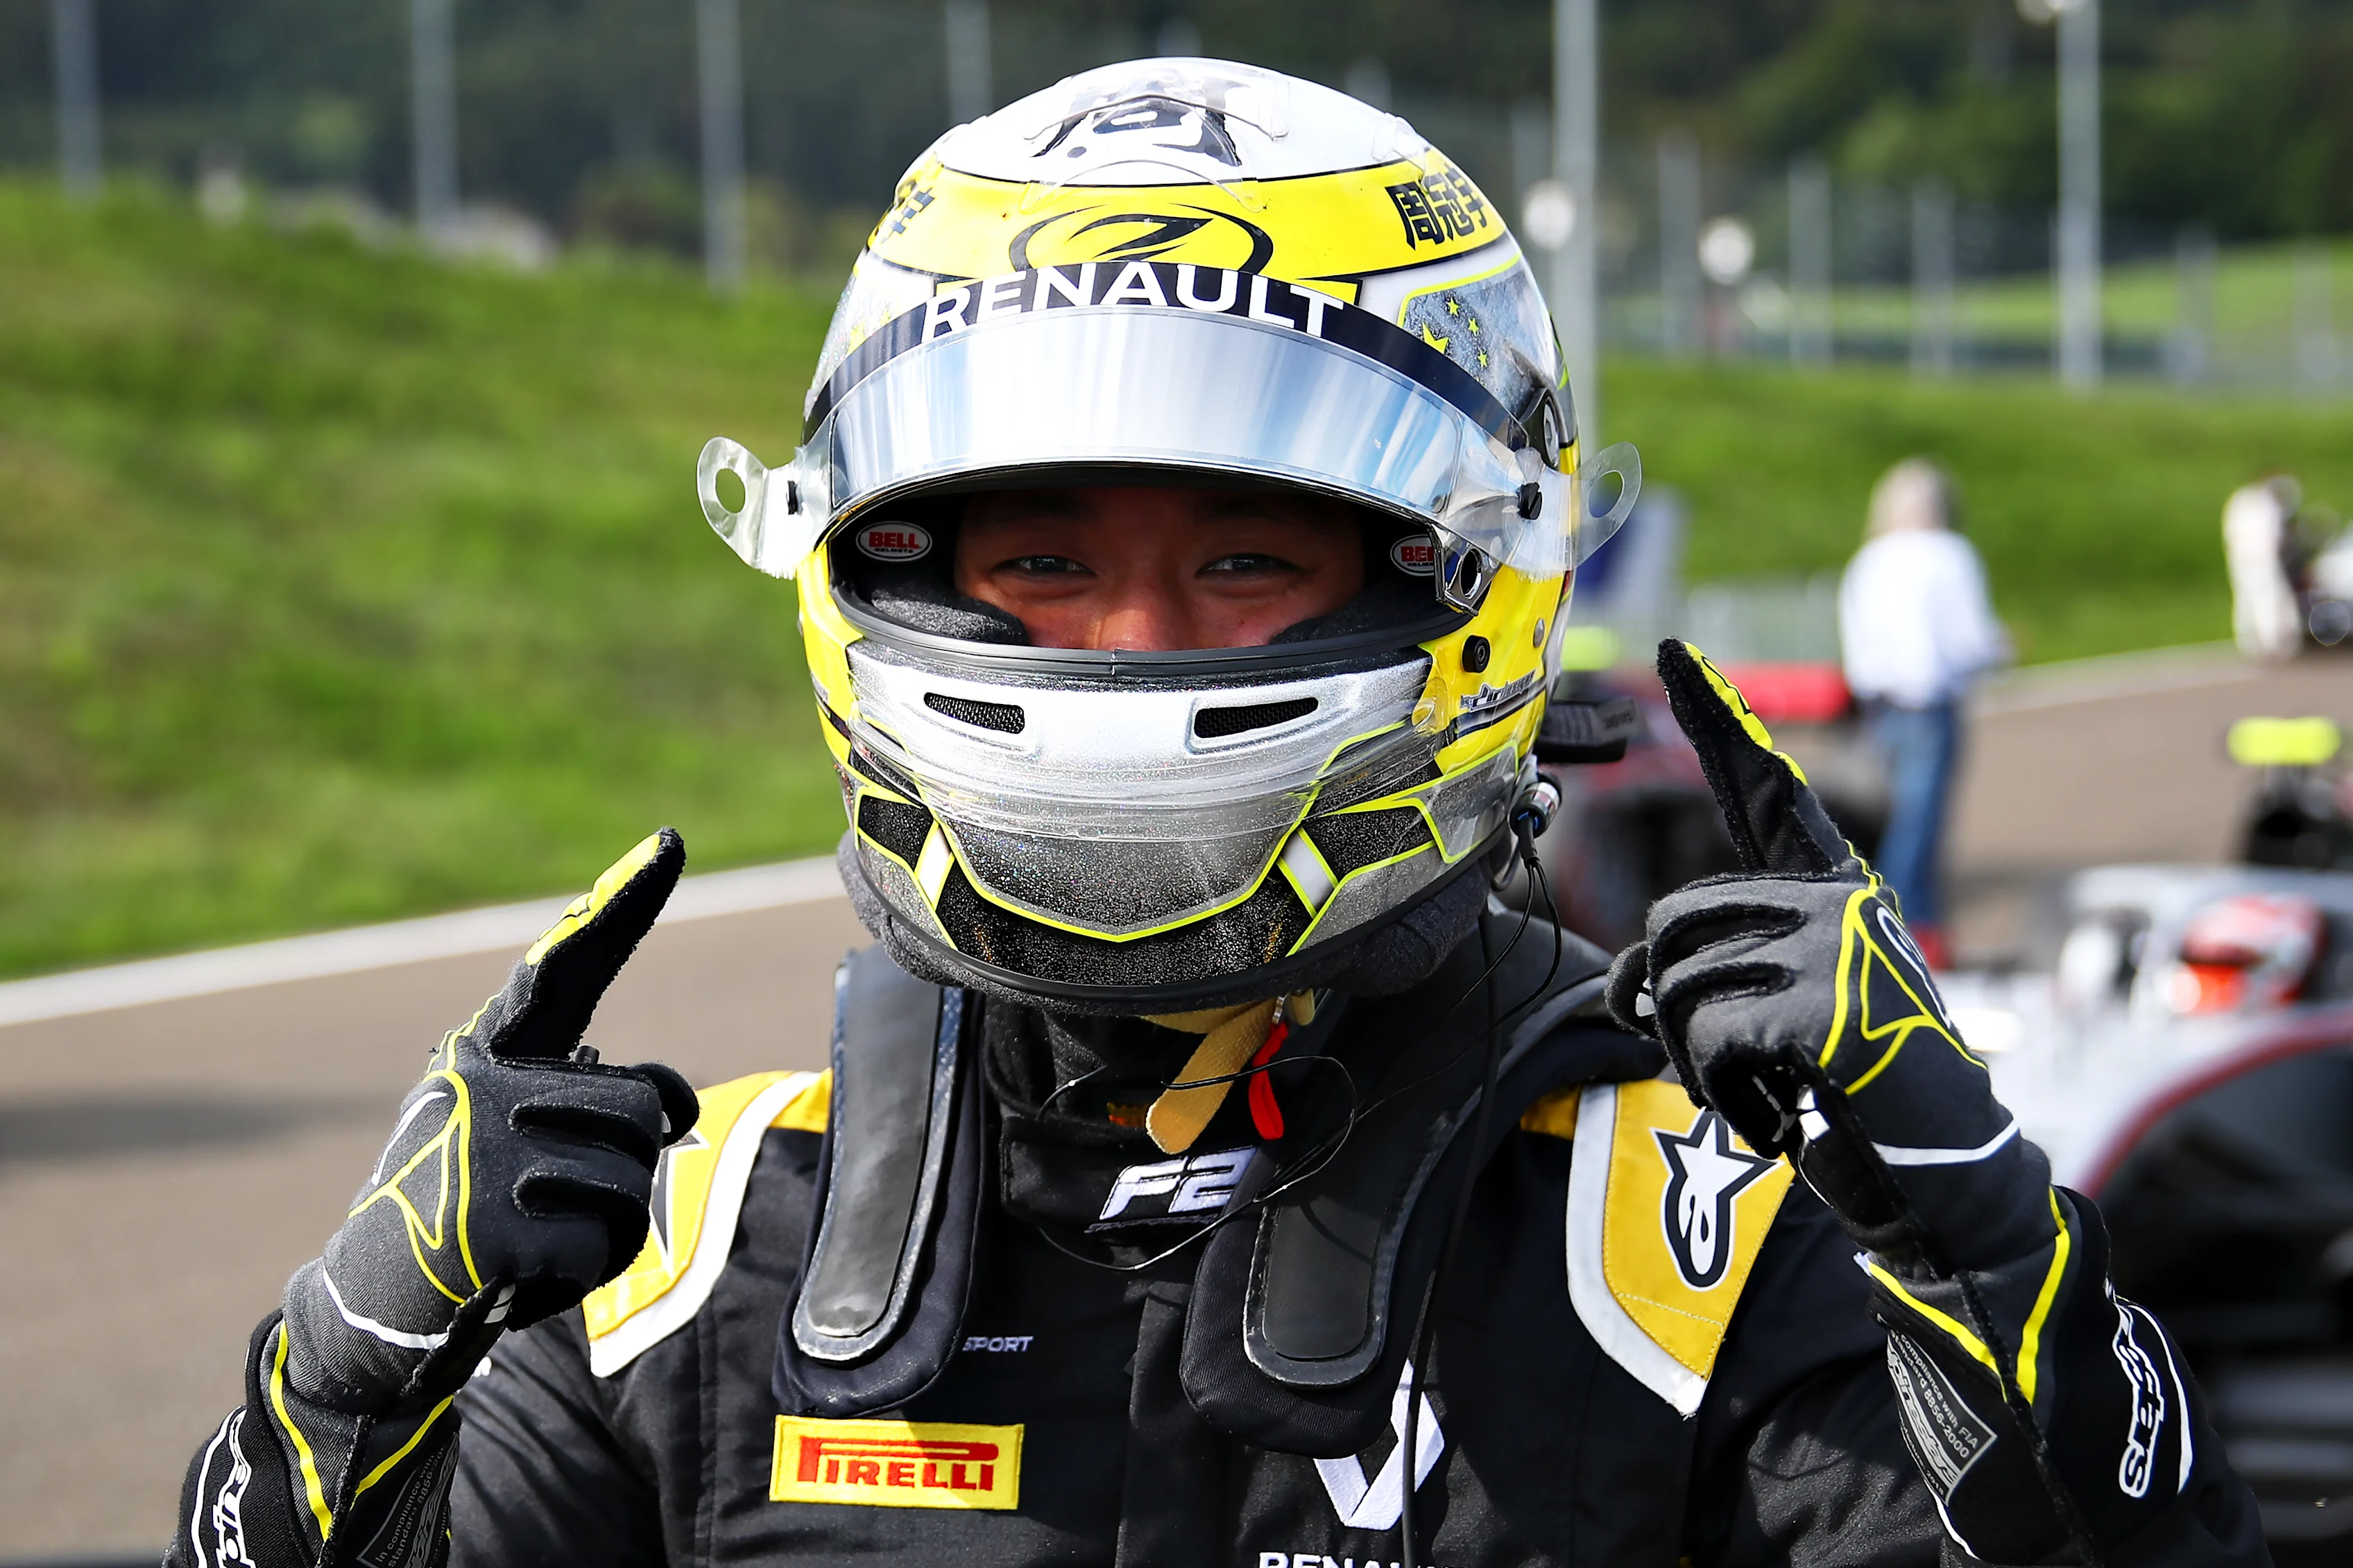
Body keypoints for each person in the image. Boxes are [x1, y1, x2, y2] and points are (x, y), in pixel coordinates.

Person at [172, 60, 2263, 1568]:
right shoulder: (692, 1255)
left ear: (1465, 579)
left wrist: (1992, 1266)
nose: (1132, 645)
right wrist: (338, 1396)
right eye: (1038, 563)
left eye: (1245, 562)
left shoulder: (1683, 1246)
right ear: (862, 572)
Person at [1836, 458, 2007, 970]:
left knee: (1889, 825)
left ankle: (1916, 930)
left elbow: (1857, 644)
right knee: (1919, 831)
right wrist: (2001, 650)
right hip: (1929, 707)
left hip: (1879, 708)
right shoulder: (1950, 555)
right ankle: (1904, 932)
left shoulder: (1868, 560)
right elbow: (1970, 638)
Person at [2222, 474, 2307, 662]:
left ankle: (2250, 642)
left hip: (2240, 558)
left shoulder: (2240, 500)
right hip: (2263, 559)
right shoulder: (2264, 504)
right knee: (2268, 598)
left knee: (2247, 598)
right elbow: (2273, 535)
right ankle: (2272, 643)